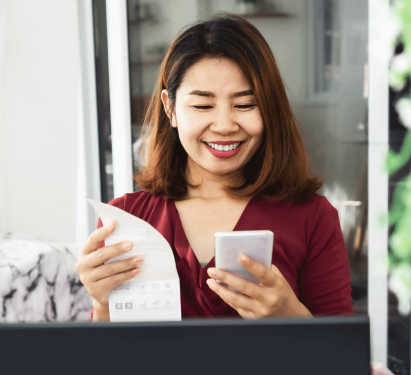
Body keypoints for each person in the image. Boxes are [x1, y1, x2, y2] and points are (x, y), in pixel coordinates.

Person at [75, 13, 353, 321]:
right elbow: (110, 360)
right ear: (170, 108)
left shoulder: (313, 219)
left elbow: (341, 353)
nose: (224, 125)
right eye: (203, 105)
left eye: (245, 105)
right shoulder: (126, 220)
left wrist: (290, 316)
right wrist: (102, 305)